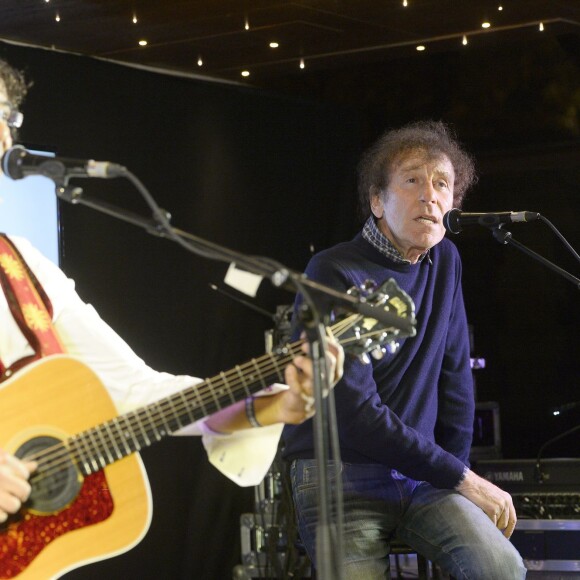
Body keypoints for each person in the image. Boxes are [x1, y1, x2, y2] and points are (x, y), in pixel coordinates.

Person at [0, 57, 343, 525]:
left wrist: (276, 404)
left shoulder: (20, 266)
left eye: (6, 116)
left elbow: (140, 394)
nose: (3, 135)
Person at [283, 121, 527, 578]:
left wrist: (454, 476)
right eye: (412, 179)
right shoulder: (333, 270)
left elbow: (456, 381)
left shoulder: (446, 261)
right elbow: (355, 413)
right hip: (340, 473)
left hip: (421, 477)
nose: (430, 195)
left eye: (442, 183)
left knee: (501, 567)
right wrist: (462, 479)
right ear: (377, 201)